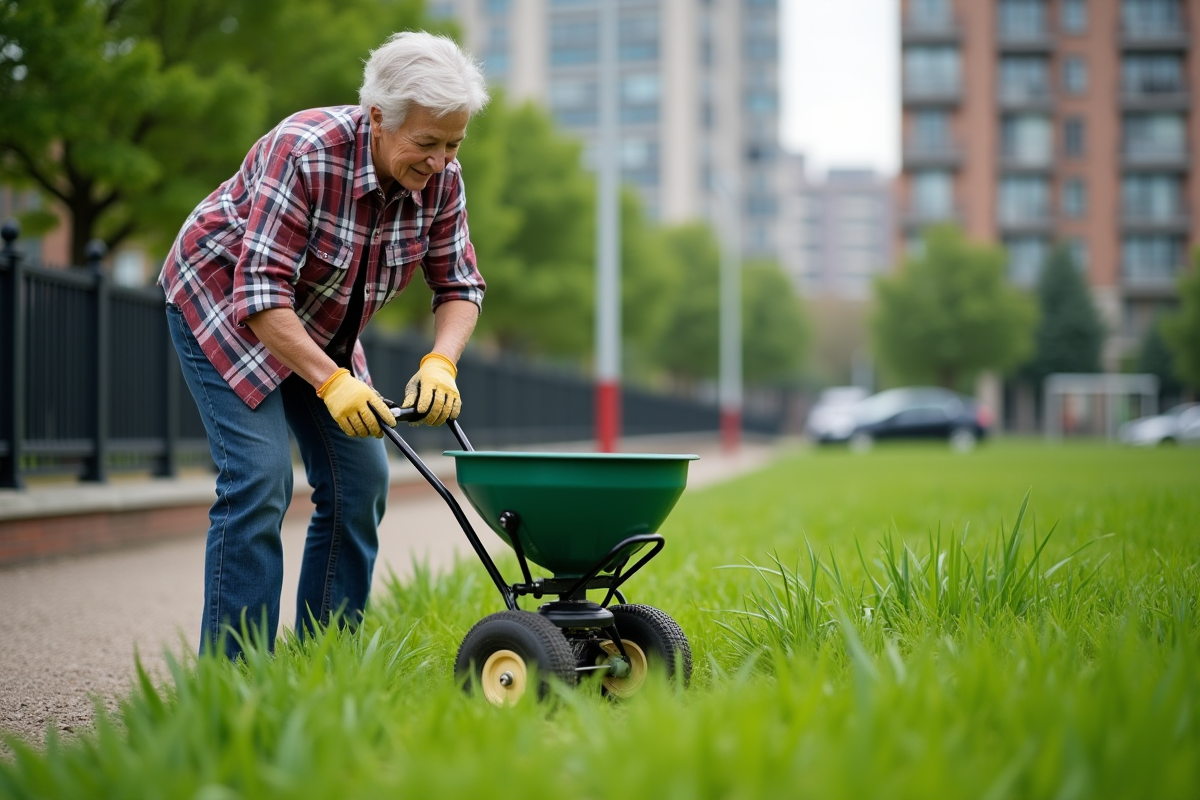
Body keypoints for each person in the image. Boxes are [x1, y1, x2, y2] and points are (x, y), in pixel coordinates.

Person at [159, 31, 489, 659]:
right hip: (224, 305)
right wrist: (333, 382)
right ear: (378, 119)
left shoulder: (443, 179)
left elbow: (460, 283)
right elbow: (258, 293)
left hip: (319, 326)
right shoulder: (305, 151)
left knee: (362, 482)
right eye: (426, 143)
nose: (441, 161)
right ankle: (235, 676)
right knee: (259, 480)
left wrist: (441, 360)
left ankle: (323, 663)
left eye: (453, 144)